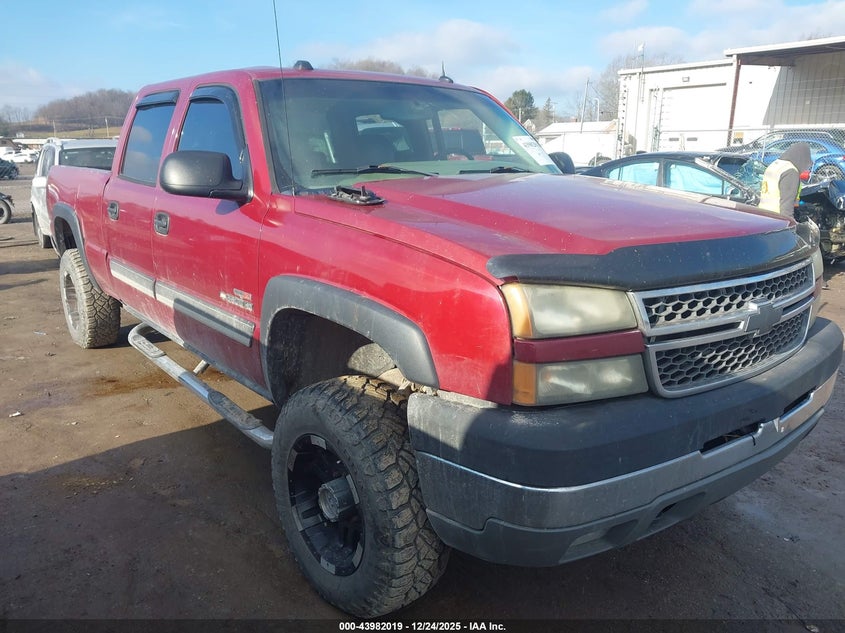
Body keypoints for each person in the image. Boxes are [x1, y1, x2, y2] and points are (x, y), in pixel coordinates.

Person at [758, 142, 812, 218]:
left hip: (763, 213)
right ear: (802, 159)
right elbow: (786, 204)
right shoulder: (790, 171)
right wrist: (789, 222)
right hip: (777, 216)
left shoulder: (775, 165)